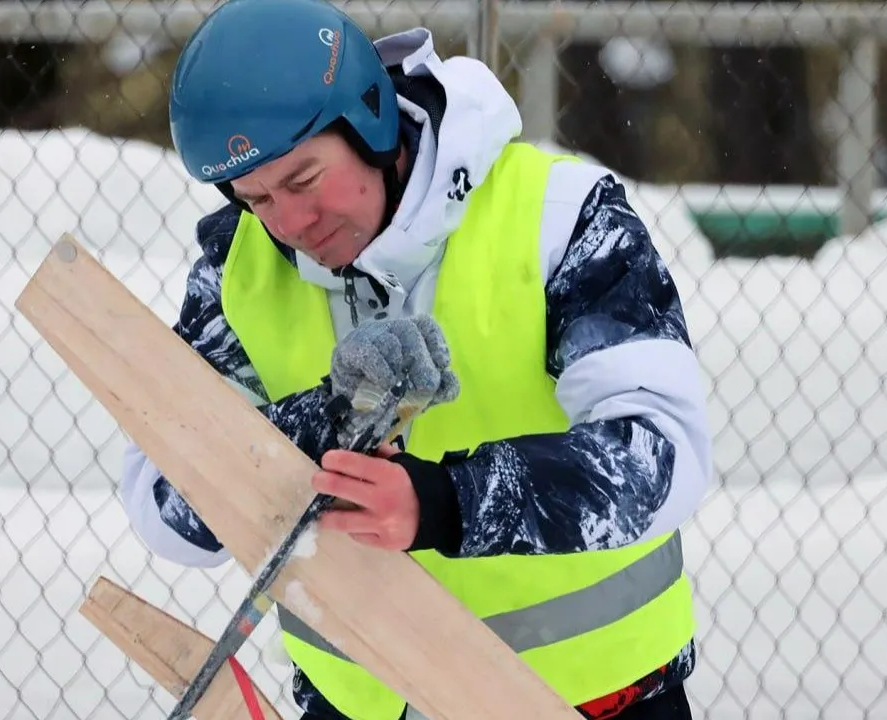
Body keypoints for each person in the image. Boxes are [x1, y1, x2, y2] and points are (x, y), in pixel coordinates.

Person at [118, 0, 713, 718]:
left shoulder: (559, 214)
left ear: (369, 123)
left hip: (587, 697)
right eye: (257, 197)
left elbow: (662, 452)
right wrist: (323, 422)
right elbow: (164, 508)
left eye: (304, 180)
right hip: (361, 703)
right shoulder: (236, 273)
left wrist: (448, 503)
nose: (291, 223)